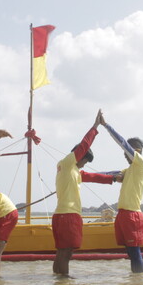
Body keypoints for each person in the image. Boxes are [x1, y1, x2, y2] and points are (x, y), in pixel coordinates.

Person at [52, 110, 122, 276]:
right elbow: (84, 145)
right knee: (66, 252)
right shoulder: (68, 162)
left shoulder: (71, 170)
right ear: (79, 157)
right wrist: (95, 127)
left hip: (61, 215)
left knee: (62, 252)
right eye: (84, 161)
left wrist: (113, 178)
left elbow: (93, 177)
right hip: (68, 215)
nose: (83, 166)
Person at [100, 113, 143, 273]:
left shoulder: (141, 164)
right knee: (130, 252)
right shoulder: (129, 170)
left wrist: (106, 125)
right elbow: (110, 174)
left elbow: (122, 143)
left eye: (128, 152)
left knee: (135, 252)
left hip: (133, 215)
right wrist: (80, 175)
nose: (125, 155)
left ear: (138, 151)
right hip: (123, 215)